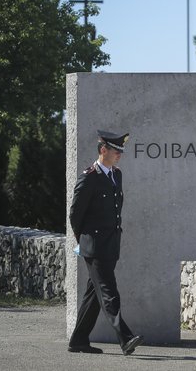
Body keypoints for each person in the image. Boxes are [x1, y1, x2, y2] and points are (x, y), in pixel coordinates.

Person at [68, 130, 144, 355]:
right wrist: (84, 241)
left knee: (94, 295)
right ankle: (126, 337)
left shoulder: (116, 175)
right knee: (109, 292)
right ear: (103, 150)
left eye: (121, 151)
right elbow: (75, 215)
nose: (119, 154)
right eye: (115, 150)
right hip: (94, 245)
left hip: (111, 245)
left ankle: (78, 341)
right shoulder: (89, 177)